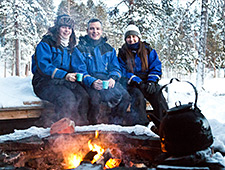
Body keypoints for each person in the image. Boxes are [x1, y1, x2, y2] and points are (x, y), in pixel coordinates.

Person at [32, 14, 89, 125]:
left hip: (63, 81)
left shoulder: (71, 47)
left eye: (69, 28)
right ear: (57, 28)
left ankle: (80, 127)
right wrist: (64, 75)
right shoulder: (46, 43)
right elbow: (44, 67)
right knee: (67, 98)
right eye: (64, 27)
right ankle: (61, 130)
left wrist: (83, 76)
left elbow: (79, 66)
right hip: (44, 82)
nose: (66, 30)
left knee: (83, 96)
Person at [72, 18, 131, 125]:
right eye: (92, 29)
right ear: (87, 30)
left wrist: (113, 78)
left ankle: (114, 125)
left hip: (106, 80)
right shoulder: (80, 49)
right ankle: (91, 127)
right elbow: (79, 71)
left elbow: (116, 68)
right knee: (94, 100)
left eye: (97, 29)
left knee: (125, 96)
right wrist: (92, 82)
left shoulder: (109, 49)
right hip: (88, 81)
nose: (95, 31)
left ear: (101, 31)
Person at [118, 23, 168, 127]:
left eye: (133, 36)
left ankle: (165, 123)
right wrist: (135, 80)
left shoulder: (148, 50)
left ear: (138, 37)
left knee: (158, 95)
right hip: (132, 84)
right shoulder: (123, 52)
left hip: (147, 80)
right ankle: (141, 126)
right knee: (138, 97)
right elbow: (122, 70)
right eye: (128, 37)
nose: (131, 39)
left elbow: (156, 66)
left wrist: (152, 81)